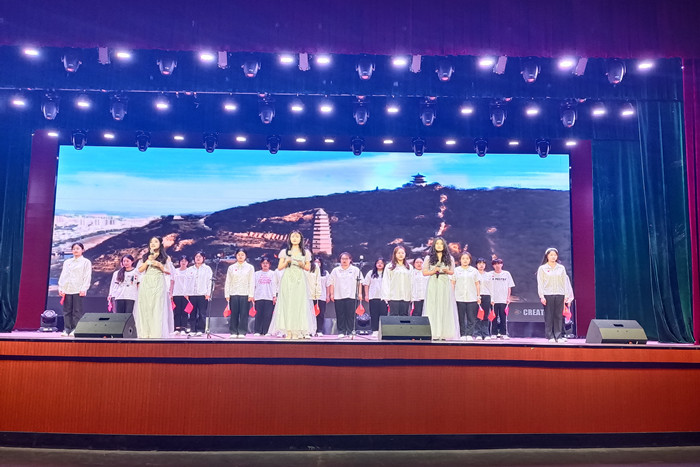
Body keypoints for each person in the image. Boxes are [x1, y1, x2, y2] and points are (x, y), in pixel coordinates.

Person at [269, 231, 316, 339]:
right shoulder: (284, 252)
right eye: (293, 236)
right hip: (287, 278)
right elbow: (279, 267)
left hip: (299, 279)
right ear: (289, 238)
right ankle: (288, 331)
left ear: (301, 239)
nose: (295, 238)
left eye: (297, 236)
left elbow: (308, 268)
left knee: (299, 304)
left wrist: (301, 264)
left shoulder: (305, 252)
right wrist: (287, 262)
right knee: (287, 303)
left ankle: (297, 331)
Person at [135, 236, 174, 339]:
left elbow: (169, 272)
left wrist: (160, 265)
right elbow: (139, 270)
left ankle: (156, 333)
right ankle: (144, 332)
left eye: (156, 242)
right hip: (146, 282)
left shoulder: (166, 257)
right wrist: (147, 262)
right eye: (151, 242)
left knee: (157, 307)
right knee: (145, 307)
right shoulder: (145, 257)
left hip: (158, 282)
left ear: (160, 244)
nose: (153, 244)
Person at [422, 237, 459, 340]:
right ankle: (433, 332)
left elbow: (452, 271)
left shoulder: (449, 258)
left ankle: (444, 333)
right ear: (434, 245)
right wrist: (433, 271)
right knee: (433, 306)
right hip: (433, 282)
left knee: (444, 306)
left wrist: (446, 271)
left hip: (444, 282)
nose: (439, 245)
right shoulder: (428, 258)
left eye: (441, 244)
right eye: (437, 243)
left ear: (444, 245)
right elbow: (424, 272)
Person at [537, 247, 574, 343]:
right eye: (551, 255)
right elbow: (540, 283)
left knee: (558, 316)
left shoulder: (561, 268)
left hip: (560, 293)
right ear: (547, 256)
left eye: (555, 255)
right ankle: (550, 336)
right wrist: (542, 296)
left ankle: (558, 335)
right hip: (548, 294)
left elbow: (564, 282)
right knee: (549, 316)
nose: (553, 257)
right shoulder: (542, 268)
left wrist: (566, 295)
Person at [57, 242, 92, 336]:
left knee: (77, 311)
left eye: (78, 248)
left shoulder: (86, 262)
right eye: (74, 249)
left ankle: (75, 329)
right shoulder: (67, 262)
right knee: (67, 311)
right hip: (67, 289)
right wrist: (61, 288)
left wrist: (84, 288)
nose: (75, 250)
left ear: (82, 250)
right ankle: (67, 329)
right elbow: (63, 275)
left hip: (78, 289)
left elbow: (87, 276)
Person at [328, 252, 363, 338]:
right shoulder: (335, 270)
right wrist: (331, 294)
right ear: (340, 260)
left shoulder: (355, 270)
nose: (344, 260)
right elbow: (331, 283)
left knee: (351, 315)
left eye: (346, 259)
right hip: (338, 295)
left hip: (351, 295)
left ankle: (350, 331)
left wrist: (360, 293)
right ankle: (341, 331)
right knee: (340, 314)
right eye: (343, 259)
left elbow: (360, 283)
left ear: (350, 260)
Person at [224, 248, 255, 338]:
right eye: (239, 255)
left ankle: (242, 331)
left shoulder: (250, 267)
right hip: (233, 293)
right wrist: (227, 294)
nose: (240, 256)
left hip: (245, 294)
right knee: (234, 313)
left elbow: (251, 281)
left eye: (242, 255)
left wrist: (251, 294)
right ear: (236, 256)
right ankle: (233, 331)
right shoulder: (231, 267)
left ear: (245, 256)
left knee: (244, 314)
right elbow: (228, 281)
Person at [452, 252, 481, 341]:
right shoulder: (456, 270)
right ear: (460, 260)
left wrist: (478, 296)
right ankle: (462, 334)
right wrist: (452, 296)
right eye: (463, 258)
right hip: (459, 297)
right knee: (460, 317)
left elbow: (477, 284)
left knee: (471, 317)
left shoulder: (474, 271)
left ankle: (469, 334)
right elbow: (452, 283)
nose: (465, 260)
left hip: (471, 297)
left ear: (470, 260)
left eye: (467, 258)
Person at [187, 251, 213, 337]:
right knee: (192, 313)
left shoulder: (207, 269)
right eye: (196, 257)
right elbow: (186, 282)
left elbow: (210, 282)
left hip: (203, 294)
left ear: (203, 258)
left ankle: (200, 330)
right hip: (192, 294)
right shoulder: (190, 269)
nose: (198, 258)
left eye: (200, 257)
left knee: (202, 313)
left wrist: (208, 293)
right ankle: (193, 329)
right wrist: (186, 293)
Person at [382, 246, 412, 318]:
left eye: (402, 253)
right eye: (398, 253)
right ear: (395, 254)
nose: (401, 255)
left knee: (404, 316)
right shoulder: (389, 266)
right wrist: (386, 296)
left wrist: (412, 296)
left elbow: (412, 282)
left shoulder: (409, 267)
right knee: (394, 316)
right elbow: (386, 281)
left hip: (406, 296)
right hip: (393, 296)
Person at [491, 258, 515, 339]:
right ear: (493, 265)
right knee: (493, 317)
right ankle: (493, 333)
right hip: (493, 300)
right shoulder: (490, 274)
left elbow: (509, 287)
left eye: (499, 264)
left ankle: (504, 333)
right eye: (495, 264)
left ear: (502, 264)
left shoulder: (506, 274)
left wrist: (508, 298)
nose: (497, 265)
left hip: (503, 300)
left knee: (503, 317)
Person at [253, 257, 278, 336]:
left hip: (269, 297)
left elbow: (275, 285)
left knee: (268, 315)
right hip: (258, 297)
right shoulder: (256, 274)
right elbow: (253, 285)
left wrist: (274, 296)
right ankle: (257, 331)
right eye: (263, 263)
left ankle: (267, 331)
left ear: (269, 264)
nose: (265, 265)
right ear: (261, 264)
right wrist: (253, 295)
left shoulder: (273, 274)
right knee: (259, 314)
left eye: (267, 263)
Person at [362, 257, 387, 334]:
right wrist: (366, 295)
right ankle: (375, 330)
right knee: (374, 314)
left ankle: (382, 331)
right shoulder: (371, 273)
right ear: (375, 264)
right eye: (378, 263)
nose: (379, 264)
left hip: (384, 297)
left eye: (381, 263)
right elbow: (366, 284)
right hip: (373, 297)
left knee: (383, 314)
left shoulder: (387, 273)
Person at [308, 256, 330, 336]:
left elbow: (328, 285)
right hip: (311, 295)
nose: (317, 264)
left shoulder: (325, 273)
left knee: (320, 314)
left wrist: (328, 295)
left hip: (322, 296)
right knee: (310, 314)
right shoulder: (310, 271)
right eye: (315, 262)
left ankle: (319, 330)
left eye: (319, 262)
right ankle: (311, 330)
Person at [171, 255, 192, 335]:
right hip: (176, 293)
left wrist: (189, 293)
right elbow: (172, 282)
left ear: (188, 262)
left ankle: (183, 328)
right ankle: (177, 328)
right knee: (177, 312)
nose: (183, 262)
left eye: (185, 261)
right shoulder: (175, 271)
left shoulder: (190, 271)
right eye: (182, 261)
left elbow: (191, 283)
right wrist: (171, 293)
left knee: (184, 312)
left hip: (185, 294)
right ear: (179, 262)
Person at [475, 258, 493, 340]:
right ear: (476, 265)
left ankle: (486, 334)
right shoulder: (474, 274)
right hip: (476, 296)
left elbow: (491, 287)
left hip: (486, 295)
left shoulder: (488, 275)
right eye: (479, 263)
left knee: (485, 315)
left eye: (483, 263)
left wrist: (492, 298)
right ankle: (477, 334)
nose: (481, 265)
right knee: (477, 315)